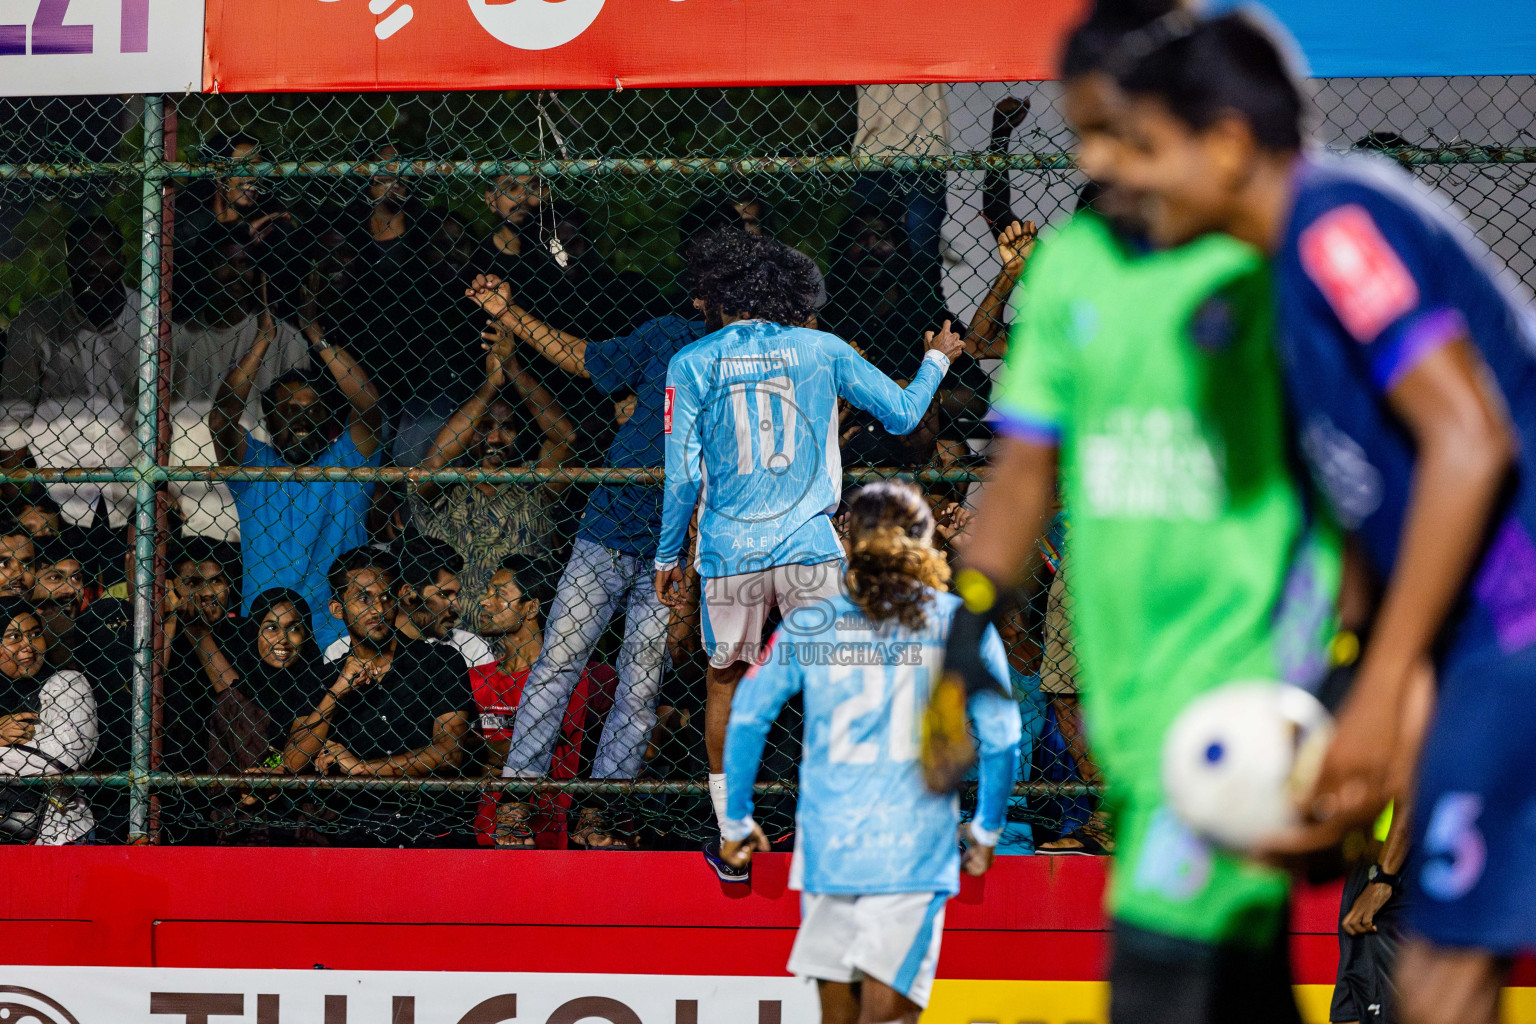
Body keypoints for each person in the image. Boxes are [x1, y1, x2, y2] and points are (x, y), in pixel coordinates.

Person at [1105, 12, 1536, 1022]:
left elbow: (1469, 444)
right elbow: (1360, 517)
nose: (1114, 170)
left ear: (1225, 142)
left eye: (1142, 145)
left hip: (1509, 628)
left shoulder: (1336, 225)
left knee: (1439, 972)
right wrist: (1337, 675)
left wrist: (1381, 680)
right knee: (1438, 972)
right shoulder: (1267, 296)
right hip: (1470, 636)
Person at [923, 4, 1342, 1022]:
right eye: (1085, 134)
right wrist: (963, 631)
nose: (1100, 157)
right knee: (1235, 984)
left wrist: (1348, 667)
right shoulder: (1075, 266)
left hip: (1241, 683)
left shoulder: (1268, 256)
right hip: (1133, 688)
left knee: (1158, 975)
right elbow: (1025, 472)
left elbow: (1356, 473)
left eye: (1120, 128)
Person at [652, 227, 964, 880]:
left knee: (727, 680)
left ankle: (733, 837)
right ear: (799, 299)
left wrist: (665, 556)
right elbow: (905, 417)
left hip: (730, 551)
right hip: (807, 548)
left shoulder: (693, 361)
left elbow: (681, 475)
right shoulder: (821, 349)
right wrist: (937, 357)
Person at [464, 201, 753, 850]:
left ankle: (600, 811)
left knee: (640, 683)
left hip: (674, 547)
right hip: (608, 530)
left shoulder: (757, 364)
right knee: (558, 662)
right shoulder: (664, 336)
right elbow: (585, 358)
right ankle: (517, 800)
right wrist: (509, 314)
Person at [719, 482, 1021, 1022]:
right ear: (927, 541)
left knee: (837, 1013)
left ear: (850, 544)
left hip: (830, 842)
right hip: (913, 846)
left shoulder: (809, 622)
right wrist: (986, 830)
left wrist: (737, 819)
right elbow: (1001, 737)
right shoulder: (957, 621)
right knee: (891, 1016)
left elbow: (747, 714)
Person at [209, 285, 384, 651]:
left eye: (313, 409)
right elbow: (223, 415)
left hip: (339, 636)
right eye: (288, 410)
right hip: (268, 636)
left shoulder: (347, 462)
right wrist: (264, 340)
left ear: (329, 419)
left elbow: (367, 404)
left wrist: (314, 333)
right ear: (270, 421)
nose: (301, 419)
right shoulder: (256, 466)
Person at [287, 547, 475, 847]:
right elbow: (294, 761)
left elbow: (449, 753)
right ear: (338, 610)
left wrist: (362, 769)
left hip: (433, 823)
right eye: (364, 598)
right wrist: (337, 693)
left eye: (385, 597)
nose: (378, 609)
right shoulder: (321, 678)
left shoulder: (439, 661)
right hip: (356, 828)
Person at [411, 321, 575, 610]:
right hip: (455, 631)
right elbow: (435, 461)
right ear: (468, 429)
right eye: (484, 426)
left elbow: (564, 437)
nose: (496, 438)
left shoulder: (533, 482)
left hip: (523, 626)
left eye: (507, 427)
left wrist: (513, 368)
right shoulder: (447, 485)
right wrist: (489, 386)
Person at [473, 556, 618, 849]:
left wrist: (484, 739)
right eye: (487, 592)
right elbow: (468, 749)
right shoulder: (477, 678)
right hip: (491, 829)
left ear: (530, 608)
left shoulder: (577, 677)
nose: (483, 602)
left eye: (499, 593)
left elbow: (560, 746)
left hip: (555, 827)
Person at [0, 215, 138, 407]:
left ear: (122, 262)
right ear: (68, 265)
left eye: (104, 253)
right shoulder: (35, 324)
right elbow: (15, 411)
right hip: (59, 435)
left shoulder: (150, 319)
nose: (92, 264)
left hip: (129, 437)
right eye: (81, 255)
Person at [0, 599, 97, 844]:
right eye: (14, 637)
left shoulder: (68, 684)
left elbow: (60, 758)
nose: (29, 646)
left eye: (35, 634)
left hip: (58, 837)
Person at [322, 535, 496, 671]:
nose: (456, 606)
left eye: (457, 595)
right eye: (444, 594)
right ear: (407, 594)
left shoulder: (471, 648)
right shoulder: (340, 652)